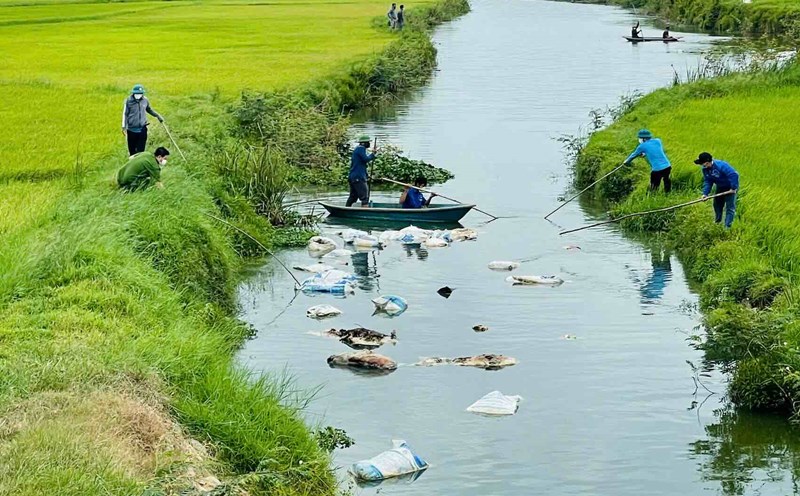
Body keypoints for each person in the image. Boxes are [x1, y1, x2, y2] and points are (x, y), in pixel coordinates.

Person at [695, 152, 740, 228]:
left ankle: (727, 227)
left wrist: (733, 188)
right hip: (720, 186)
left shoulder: (721, 165)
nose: (703, 166)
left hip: (730, 187)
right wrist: (705, 194)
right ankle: (717, 223)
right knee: (717, 205)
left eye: (703, 164)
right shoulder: (705, 169)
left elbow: (734, 175)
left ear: (708, 162)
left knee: (730, 208)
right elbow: (708, 181)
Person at [122, 84, 164, 157]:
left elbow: (149, 109)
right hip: (132, 130)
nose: (138, 95)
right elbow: (125, 114)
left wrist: (157, 116)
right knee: (132, 151)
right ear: (133, 93)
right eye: (137, 93)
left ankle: (140, 161)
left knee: (141, 151)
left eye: (140, 93)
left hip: (142, 129)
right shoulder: (128, 101)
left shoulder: (145, 100)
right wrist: (124, 127)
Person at [346, 135, 376, 207]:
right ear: (363, 143)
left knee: (353, 197)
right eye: (368, 142)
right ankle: (365, 211)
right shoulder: (361, 149)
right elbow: (365, 159)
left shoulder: (357, 149)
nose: (369, 144)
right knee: (364, 197)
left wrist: (366, 175)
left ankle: (347, 208)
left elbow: (360, 164)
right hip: (358, 177)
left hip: (353, 176)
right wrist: (373, 154)